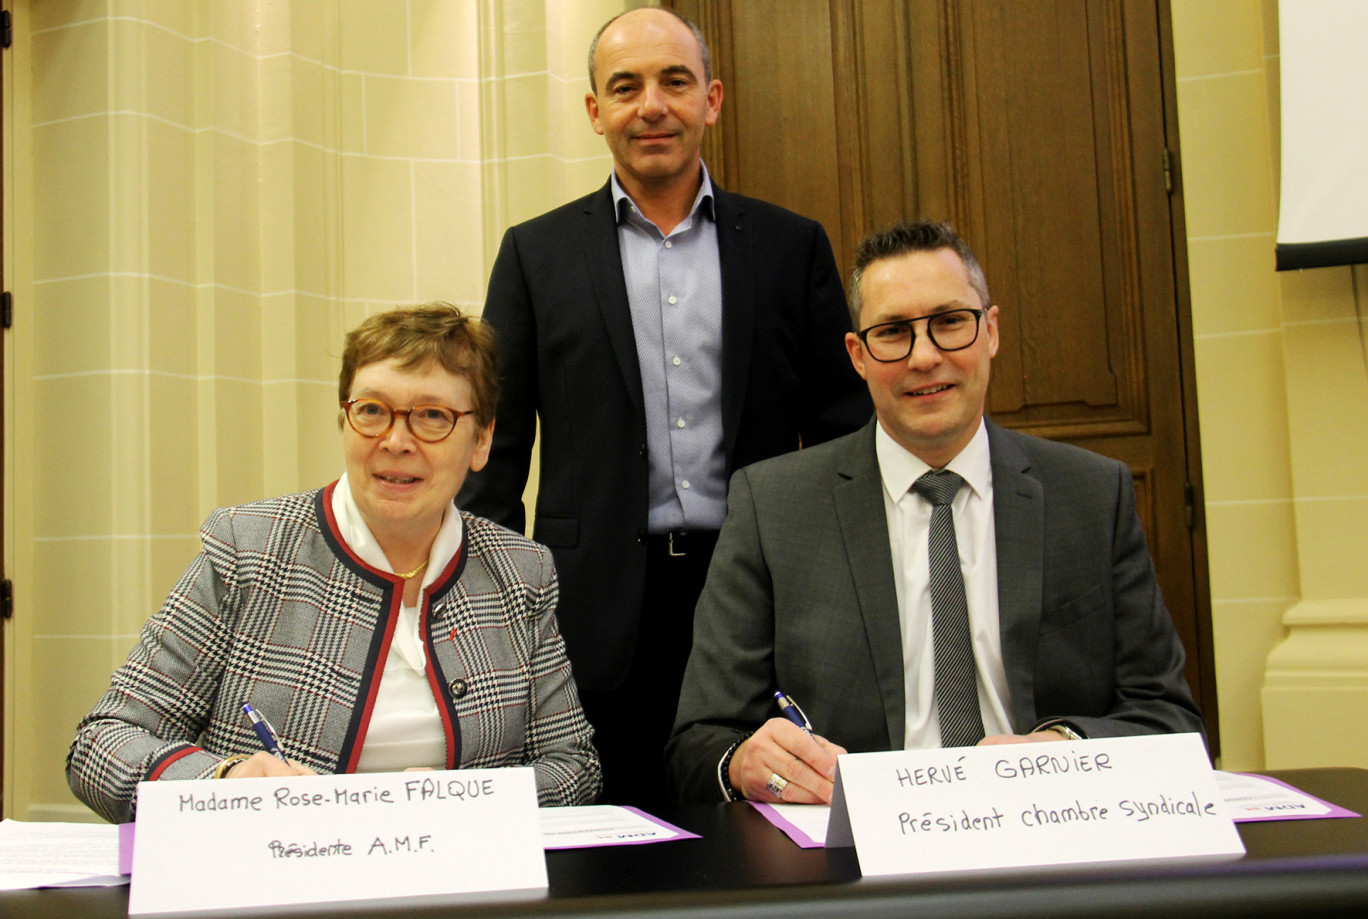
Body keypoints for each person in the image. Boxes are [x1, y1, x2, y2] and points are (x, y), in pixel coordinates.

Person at [457, 8, 869, 806]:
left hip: (759, 593)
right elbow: (492, 459)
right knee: (606, 836)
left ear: (711, 99)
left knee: (759, 827)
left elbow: (844, 437)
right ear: (595, 111)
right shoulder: (534, 255)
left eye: (675, 81)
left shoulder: (791, 247)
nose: (653, 104)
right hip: (593, 606)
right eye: (626, 86)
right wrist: (497, 620)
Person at [666, 221, 1204, 804]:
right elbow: (699, 745)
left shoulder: (1092, 495)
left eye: (949, 322)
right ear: (858, 355)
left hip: (1047, 835)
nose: (925, 357)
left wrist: (1063, 749)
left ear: (990, 332)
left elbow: (1169, 720)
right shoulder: (772, 507)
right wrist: (748, 762)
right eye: (894, 332)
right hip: (853, 858)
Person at [67, 304, 601, 823]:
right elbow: (103, 744)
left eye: (432, 416)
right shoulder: (248, 547)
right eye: (371, 410)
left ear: (481, 440)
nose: (395, 441)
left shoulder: (520, 571)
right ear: (344, 420)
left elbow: (573, 767)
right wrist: (224, 784)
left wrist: (466, 798)